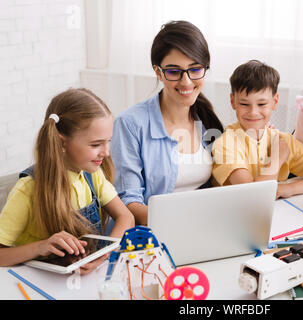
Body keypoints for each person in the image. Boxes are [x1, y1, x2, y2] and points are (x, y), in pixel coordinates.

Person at [0, 88, 135, 273]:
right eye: (96, 144)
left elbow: (126, 216)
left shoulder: (92, 175)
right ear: (62, 143)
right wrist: (41, 246)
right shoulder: (28, 189)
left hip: (81, 280)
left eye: (108, 141)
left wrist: (102, 255)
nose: (107, 152)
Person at [111, 21, 224, 226]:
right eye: (174, 72)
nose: (187, 82)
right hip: (152, 233)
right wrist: (178, 224)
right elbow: (128, 201)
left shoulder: (206, 119)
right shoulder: (129, 124)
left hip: (201, 227)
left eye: (195, 69)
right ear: (158, 71)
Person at [212, 60, 303, 199]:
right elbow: (254, 195)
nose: (253, 112)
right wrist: (276, 159)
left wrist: (288, 188)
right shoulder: (225, 144)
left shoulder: (284, 141)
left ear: (275, 102)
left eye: (262, 104)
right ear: (233, 101)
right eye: (244, 104)